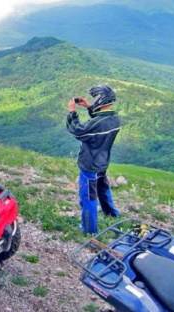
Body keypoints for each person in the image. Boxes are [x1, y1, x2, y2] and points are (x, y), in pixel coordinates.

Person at [66, 84, 121, 234]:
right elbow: (100, 122)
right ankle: (112, 213)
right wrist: (90, 108)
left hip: (90, 164)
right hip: (103, 162)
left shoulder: (97, 123)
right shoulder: (115, 118)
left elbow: (78, 132)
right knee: (103, 189)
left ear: (100, 99)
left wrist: (72, 112)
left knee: (88, 196)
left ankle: (89, 229)